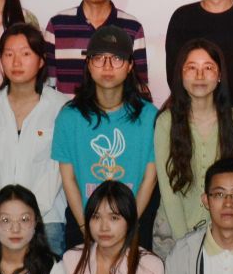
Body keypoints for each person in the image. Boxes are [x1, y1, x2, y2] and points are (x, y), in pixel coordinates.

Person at [53, 25, 160, 247]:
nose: (108, 66)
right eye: (99, 58)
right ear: (88, 64)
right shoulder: (69, 117)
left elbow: (150, 179)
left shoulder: (149, 116)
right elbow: (69, 179)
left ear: (130, 65)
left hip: (133, 227)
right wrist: (87, 229)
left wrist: (125, 229)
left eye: (117, 58)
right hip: (83, 227)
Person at [0, 23, 68, 252]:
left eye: (25, 54)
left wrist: (27, 215)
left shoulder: (61, 107)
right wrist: (1, 215)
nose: (16, 62)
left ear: (41, 61)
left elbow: (57, 170)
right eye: (9, 54)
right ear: (0, 60)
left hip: (46, 221)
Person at [156, 37, 233, 246]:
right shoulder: (165, 122)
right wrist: (185, 244)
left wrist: (220, 238)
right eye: (192, 68)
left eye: (208, 68)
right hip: (172, 236)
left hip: (224, 235)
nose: (200, 75)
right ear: (181, 74)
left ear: (219, 75)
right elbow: (168, 192)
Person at [44, 0, 149, 95]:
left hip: (118, 109)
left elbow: (140, 86)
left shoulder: (132, 27)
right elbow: (48, 86)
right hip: (69, 109)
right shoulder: (57, 25)